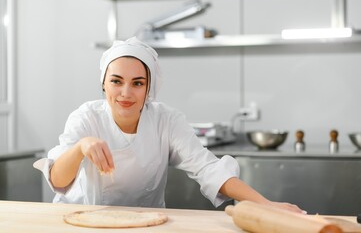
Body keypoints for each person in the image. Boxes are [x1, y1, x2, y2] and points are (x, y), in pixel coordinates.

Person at [34, 37, 303, 213]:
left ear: (149, 88)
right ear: (103, 83)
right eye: (116, 81)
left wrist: (267, 206)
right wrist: (82, 147)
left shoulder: (166, 120)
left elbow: (208, 169)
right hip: (83, 222)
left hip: (148, 227)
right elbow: (57, 179)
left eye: (137, 83)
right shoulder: (86, 118)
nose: (126, 93)